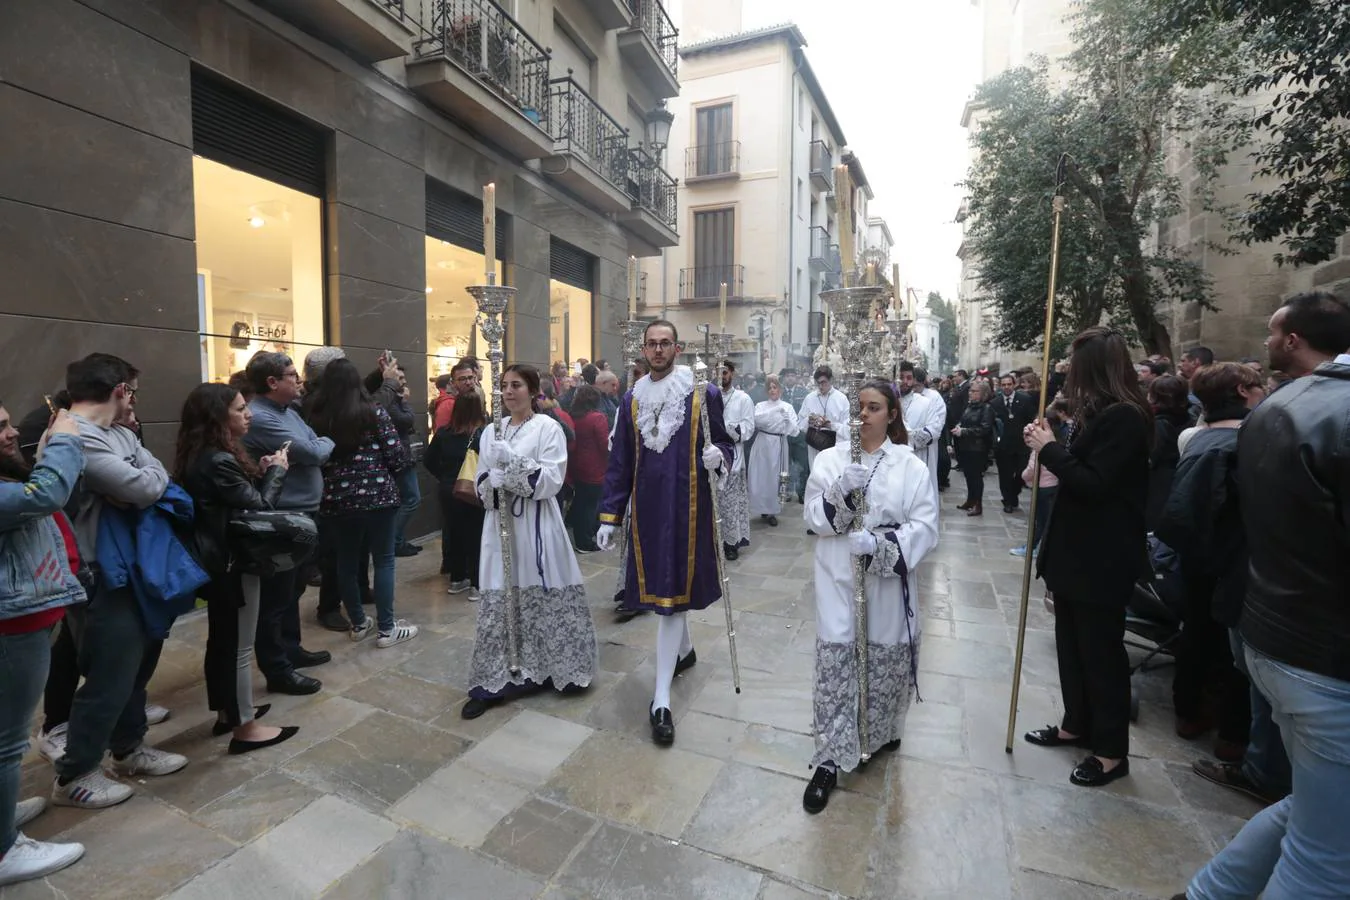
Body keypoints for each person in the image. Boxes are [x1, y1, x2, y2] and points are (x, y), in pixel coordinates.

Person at [1174, 293, 1350, 900]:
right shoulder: (1309, 407)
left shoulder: (1282, 405)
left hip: (1271, 626)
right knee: (1328, 862)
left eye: (1275, 331)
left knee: (1315, 812)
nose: (1269, 341)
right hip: (1321, 647)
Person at [54, 354, 188, 809]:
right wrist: (139, 478)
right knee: (108, 677)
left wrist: (138, 476)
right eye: (132, 390)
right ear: (120, 391)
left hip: (131, 567)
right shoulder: (72, 434)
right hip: (98, 573)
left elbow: (153, 475)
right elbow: (144, 488)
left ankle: (129, 749)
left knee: (134, 667)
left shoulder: (115, 433)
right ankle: (77, 775)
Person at [1022, 327, 1151, 787]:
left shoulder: (1127, 418)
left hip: (1102, 558)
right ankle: (1076, 723)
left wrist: (1050, 449)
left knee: (1101, 656)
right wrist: (1050, 441)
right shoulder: (1098, 414)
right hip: (1075, 556)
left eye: (1073, 366)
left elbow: (1095, 483)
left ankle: (1113, 751)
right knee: (1072, 649)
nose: (1066, 373)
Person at [801, 381, 938, 813]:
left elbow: (926, 526)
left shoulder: (909, 466)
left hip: (884, 582)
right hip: (838, 575)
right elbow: (812, 517)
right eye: (858, 406)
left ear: (892, 414)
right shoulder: (830, 459)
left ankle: (876, 734)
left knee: (883, 663)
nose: (864, 414)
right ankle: (828, 758)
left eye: (874, 407)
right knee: (837, 664)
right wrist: (840, 490)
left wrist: (881, 547)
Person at [596, 321, 733, 746]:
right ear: (643, 349)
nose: (658, 350)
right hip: (649, 509)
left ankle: (660, 699)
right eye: (651, 344)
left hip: (689, 506)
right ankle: (685, 652)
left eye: (665, 343)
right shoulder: (632, 399)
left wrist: (719, 456)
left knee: (669, 599)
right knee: (667, 590)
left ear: (677, 347)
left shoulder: (701, 392)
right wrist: (610, 515)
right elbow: (621, 460)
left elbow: (726, 443)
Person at [462, 364, 597, 719]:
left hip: (538, 525)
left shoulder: (548, 428)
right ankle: (492, 681)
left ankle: (556, 667)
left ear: (533, 390)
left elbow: (552, 479)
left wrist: (516, 465)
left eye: (516, 385)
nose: (508, 392)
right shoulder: (492, 431)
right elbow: (480, 482)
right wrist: (492, 480)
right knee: (500, 592)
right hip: (501, 526)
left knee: (542, 589)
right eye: (504, 385)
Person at [175, 384, 300, 755]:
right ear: (218, 417)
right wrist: (277, 471)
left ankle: (229, 712)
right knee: (240, 646)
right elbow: (259, 507)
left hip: (219, 559)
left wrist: (260, 472)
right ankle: (245, 727)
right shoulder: (217, 459)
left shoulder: (205, 455)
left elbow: (236, 501)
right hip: (232, 561)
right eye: (240, 409)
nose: (248, 415)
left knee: (224, 641)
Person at [0, 403, 87, 885]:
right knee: (7, 743)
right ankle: (4, 853)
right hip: (11, 631)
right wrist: (68, 439)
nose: (14, 434)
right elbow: (45, 493)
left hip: (21, 624)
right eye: (2, 428)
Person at [308, 358, 419, 649]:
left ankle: (358, 623)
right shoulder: (373, 411)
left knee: (345, 562)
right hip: (379, 497)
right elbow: (396, 455)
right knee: (383, 561)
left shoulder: (318, 416)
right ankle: (386, 629)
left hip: (337, 501)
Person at [243, 352, 332, 694]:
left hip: (304, 512)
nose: (299, 381)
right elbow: (314, 452)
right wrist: (319, 445)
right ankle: (277, 667)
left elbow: (318, 441)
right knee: (276, 597)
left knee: (293, 588)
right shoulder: (262, 418)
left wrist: (319, 444)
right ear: (272, 382)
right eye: (293, 375)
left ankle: (292, 650)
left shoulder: (289, 411)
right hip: (283, 517)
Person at [424, 391, 486, 598]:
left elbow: (428, 460)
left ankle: (457, 578)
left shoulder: (443, 433)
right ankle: (477, 584)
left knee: (455, 534)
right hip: (473, 491)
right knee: (476, 536)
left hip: (448, 491)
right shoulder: (482, 435)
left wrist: (444, 477)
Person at [717, 360, 756, 560]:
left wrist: (729, 430)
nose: (721, 376)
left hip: (733, 457)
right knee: (714, 504)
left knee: (731, 503)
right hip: (711, 458)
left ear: (732, 373)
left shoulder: (743, 398)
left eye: (724, 372)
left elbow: (749, 427)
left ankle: (731, 542)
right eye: (718, 372)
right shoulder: (707, 395)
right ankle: (714, 541)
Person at [748, 375, 799, 527]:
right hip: (763, 443)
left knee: (774, 478)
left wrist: (787, 420)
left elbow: (795, 430)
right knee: (760, 477)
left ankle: (772, 511)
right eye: (769, 388)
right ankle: (761, 506)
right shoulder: (761, 406)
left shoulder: (787, 407)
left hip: (778, 443)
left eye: (775, 387)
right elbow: (756, 420)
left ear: (780, 390)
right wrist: (774, 412)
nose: (772, 390)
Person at [565, 386, 609, 554]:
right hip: (595, 467)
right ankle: (584, 541)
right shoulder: (597, 418)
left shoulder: (573, 416)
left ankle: (580, 536)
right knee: (590, 505)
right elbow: (605, 444)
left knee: (582, 502)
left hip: (576, 465)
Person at [991, 373, 1036, 513]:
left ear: (1014, 384)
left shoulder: (1025, 399)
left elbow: (1030, 418)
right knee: (1005, 474)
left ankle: (1013, 494)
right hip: (1003, 446)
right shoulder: (995, 402)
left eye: (1009, 384)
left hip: (1021, 444)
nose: (1006, 387)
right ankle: (1008, 501)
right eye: (1003, 385)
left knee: (1022, 473)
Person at [950, 380, 996, 516]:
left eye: (974, 391)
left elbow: (984, 429)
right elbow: (965, 421)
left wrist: (964, 432)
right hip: (965, 447)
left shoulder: (986, 408)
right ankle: (970, 500)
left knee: (976, 477)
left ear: (983, 394)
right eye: (970, 390)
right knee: (968, 475)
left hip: (978, 449)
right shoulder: (970, 406)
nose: (970, 393)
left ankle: (978, 504)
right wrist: (959, 427)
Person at [798, 367, 849, 470]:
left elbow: (847, 428)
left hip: (834, 445)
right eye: (818, 383)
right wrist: (809, 420)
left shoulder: (841, 399)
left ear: (831, 380)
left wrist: (831, 425)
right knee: (816, 475)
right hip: (814, 444)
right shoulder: (810, 398)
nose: (820, 386)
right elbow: (800, 424)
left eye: (823, 382)